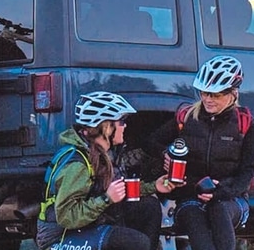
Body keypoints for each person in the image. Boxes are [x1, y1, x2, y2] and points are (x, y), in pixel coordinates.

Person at [36, 91, 178, 250]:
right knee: (135, 242)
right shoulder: (77, 164)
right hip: (60, 237)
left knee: (148, 206)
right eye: (121, 121)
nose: (125, 126)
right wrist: (106, 199)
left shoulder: (105, 153)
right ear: (105, 126)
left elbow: (120, 189)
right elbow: (67, 217)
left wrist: (154, 186)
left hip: (89, 225)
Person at [148, 55, 254, 250]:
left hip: (229, 197)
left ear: (232, 94)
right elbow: (151, 141)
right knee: (194, 219)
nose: (207, 99)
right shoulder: (187, 116)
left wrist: (222, 192)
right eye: (204, 93)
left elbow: (247, 170)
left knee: (218, 210)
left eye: (215, 95)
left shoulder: (245, 123)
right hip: (189, 196)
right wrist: (166, 154)